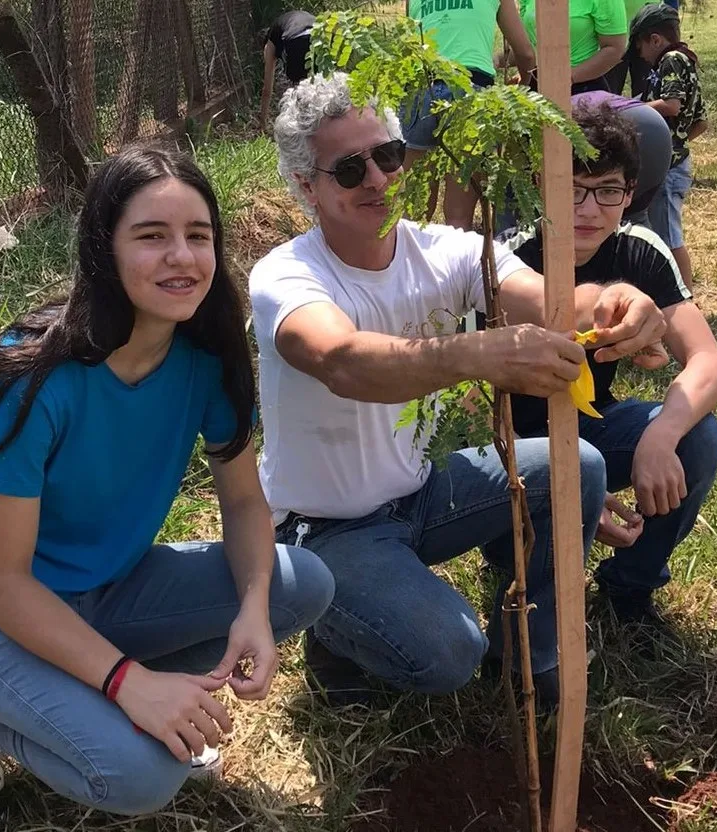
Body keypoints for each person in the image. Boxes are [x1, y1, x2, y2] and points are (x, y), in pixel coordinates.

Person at [0, 143, 335, 832]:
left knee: (300, 583)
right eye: (152, 236)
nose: (182, 257)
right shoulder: (30, 372)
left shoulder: (208, 362)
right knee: (139, 777)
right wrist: (127, 683)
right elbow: (3, 582)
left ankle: (109, 695)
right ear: (103, 248)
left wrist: (254, 613)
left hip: (107, 590)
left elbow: (245, 506)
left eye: (199, 236)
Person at [251, 73, 667, 708]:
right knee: (448, 653)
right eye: (348, 169)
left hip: (420, 495)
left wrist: (616, 301)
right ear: (307, 186)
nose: (377, 179)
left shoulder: (444, 251)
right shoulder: (287, 274)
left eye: (388, 155)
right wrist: (480, 354)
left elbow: (554, 301)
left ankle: (533, 648)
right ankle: (330, 623)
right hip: (324, 527)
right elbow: (343, 360)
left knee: (575, 465)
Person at [504, 103, 717, 626]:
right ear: (541, 186)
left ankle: (631, 584)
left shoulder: (640, 250)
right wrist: (577, 486)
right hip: (511, 448)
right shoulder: (508, 261)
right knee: (536, 612)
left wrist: (660, 436)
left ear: (630, 194)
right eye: (571, 187)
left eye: (607, 190)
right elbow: (473, 407)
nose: (587, 208)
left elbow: (710, 363)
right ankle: (526, 597)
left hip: (593, 424)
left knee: (700, 436)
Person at [402, 0, 536, 229]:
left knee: (414, 206)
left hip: (420, 88)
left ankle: (408, 261)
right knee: (458, 215)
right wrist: (524, 85)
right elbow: (525, 53)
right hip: (470, 89)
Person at [633, 3, 707, 290]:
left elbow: (671, 105)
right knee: (662, 231)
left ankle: (684, 296)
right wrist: (678, 144)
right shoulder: (687, 60)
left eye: (640, 45)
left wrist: (633, 107)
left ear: (655, 39)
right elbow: (701, 123)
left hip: (669, 168)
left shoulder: (671, 60)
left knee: (669, 236)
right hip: (676, 162)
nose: (639, 54)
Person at [573, 89, 671, 226]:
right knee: (636, 214)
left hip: (627, 121)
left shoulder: (545, 114)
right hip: (655, 126)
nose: (590, 211)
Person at [518, 0, 627, 94]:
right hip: (536, 83)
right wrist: (504, 59)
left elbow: (614, 48)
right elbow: (528, 42)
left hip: (582, 87)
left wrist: (569, 77)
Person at [259, 9, 316, 132]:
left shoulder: (271, 41)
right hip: (321, 35)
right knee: (320, 83)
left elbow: (267, 90)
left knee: (298, 87)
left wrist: (263, 125)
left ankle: (303, 128)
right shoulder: (283, 23)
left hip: (296, 39)